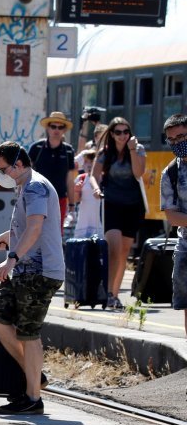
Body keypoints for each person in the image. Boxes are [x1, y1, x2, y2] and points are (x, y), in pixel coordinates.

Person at [0, 142, 64, 415]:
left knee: (28, 333)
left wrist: (12, 257)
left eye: (4, 168)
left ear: (18, 164)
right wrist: (8, 237)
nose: (2, 174)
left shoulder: (35, 187)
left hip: (40, 272)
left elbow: (36, 227)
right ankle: (34, 375)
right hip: (25, 270)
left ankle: (33, 398)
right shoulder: (26, 186)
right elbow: (29, 227)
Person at [89, 117, 147, 309]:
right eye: (118, 132)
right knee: (113, 249)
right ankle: (107, 292)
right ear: (112, 135)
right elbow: (93, 176)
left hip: (132, 206)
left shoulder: (138, 150)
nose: (123, 136)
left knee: (123, 253)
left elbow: (138, 173)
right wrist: (96, 189)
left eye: (126, 132)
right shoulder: (106, 153)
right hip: (111, 204)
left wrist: (131, 149)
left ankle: (113, 294)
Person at [161, 114, 187, 337]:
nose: (178, 143)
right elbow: (172, 216)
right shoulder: (170, 173)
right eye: (172, 140)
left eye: (182, 136)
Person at [28, 111, 77, 230]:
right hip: (37, 197)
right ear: (48, 128)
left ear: (64, 130)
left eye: (60, 127)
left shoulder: (68, 151)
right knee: (34, 232)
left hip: (59, 199)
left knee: (55, 234)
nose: (56, 130)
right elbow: (25, 173)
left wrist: (71, 204)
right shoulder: (36, 148)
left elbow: (70, 180)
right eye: (53, 126)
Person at [73, 150, 101, 238]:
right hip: (84, 220)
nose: (88, 165)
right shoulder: (81, 178)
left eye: (92, 161)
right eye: (86, 162)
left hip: (100, 220)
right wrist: (77, 190)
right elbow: (75, 200)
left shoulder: (103, 177)